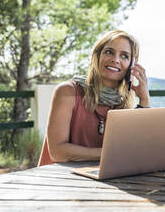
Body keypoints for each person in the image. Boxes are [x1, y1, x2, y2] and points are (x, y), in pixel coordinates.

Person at [38, 30, 150, 166]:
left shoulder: (123, 104)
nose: (116, 60)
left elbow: (139, 149)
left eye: (125, 56)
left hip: (101, 179)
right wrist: (109, 153)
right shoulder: (67, 92)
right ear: (96, 56)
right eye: (109, 52)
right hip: (57, 180)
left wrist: (144, 100)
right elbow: (58, 152)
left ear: (132, 66)